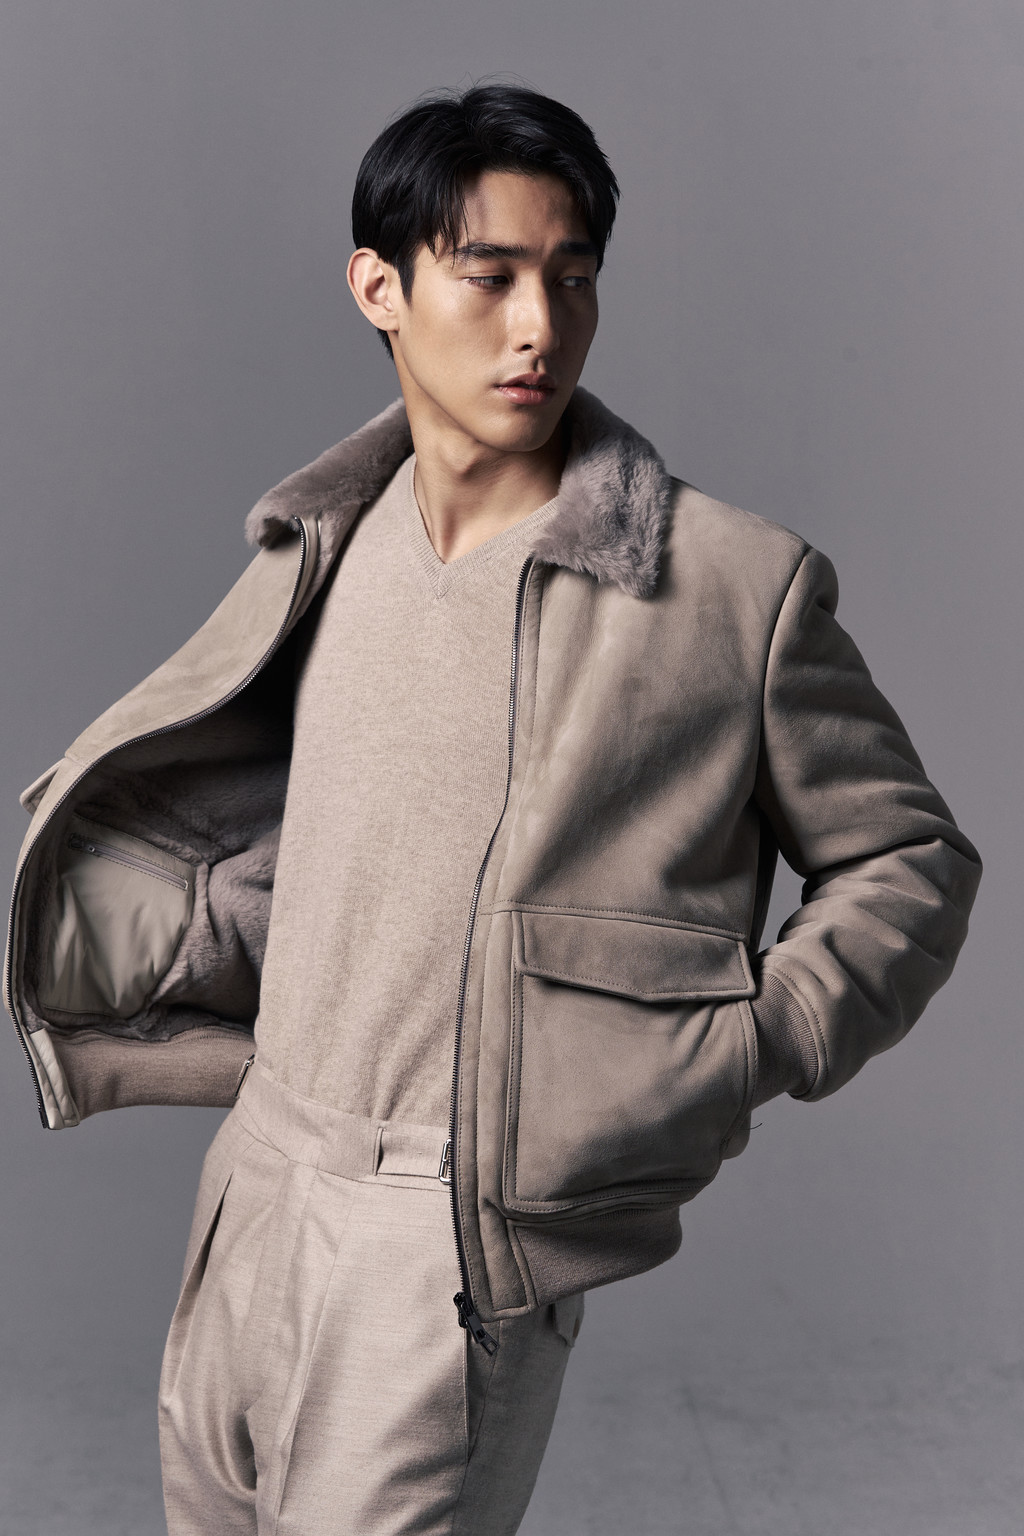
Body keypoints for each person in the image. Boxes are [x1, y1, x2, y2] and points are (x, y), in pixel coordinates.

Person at [4, 83, 981, 1535]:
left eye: (573, 277)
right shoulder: (324, 543)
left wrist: (749, 1042)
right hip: (259, 1175)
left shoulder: (728, 588)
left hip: (448, 1234)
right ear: (380, 289)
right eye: (493, 275)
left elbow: (909, 858)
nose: (541, 325)